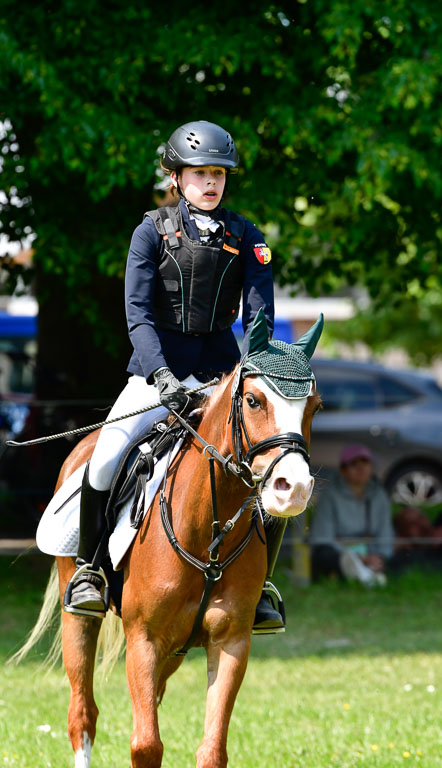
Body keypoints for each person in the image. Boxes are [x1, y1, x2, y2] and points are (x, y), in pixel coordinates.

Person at [64, 120, 285, 632]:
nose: (211, 183)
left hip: (219, 379)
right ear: (176, 177)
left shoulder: (247, 236)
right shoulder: (151, 230)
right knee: (107, 457)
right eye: (200, 174)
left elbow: (260, 316)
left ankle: (262, 586)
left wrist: (248, 374)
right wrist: (160, 374)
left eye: (218, 174)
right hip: (153, 375)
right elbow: (137, 314)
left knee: (269, 465)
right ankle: (91, 572)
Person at [309, 443, 395, 586]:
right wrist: (358, 558)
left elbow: (385, 532)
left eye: (365, 463)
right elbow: (322, 537)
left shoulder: (380, 494)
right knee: (324, 555)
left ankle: (368, 573)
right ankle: (362, 574)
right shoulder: (329, 495)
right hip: (339, 552)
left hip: (371, 552)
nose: (361, 469)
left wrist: (379, 557)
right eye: (354, 464)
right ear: (343, 470)